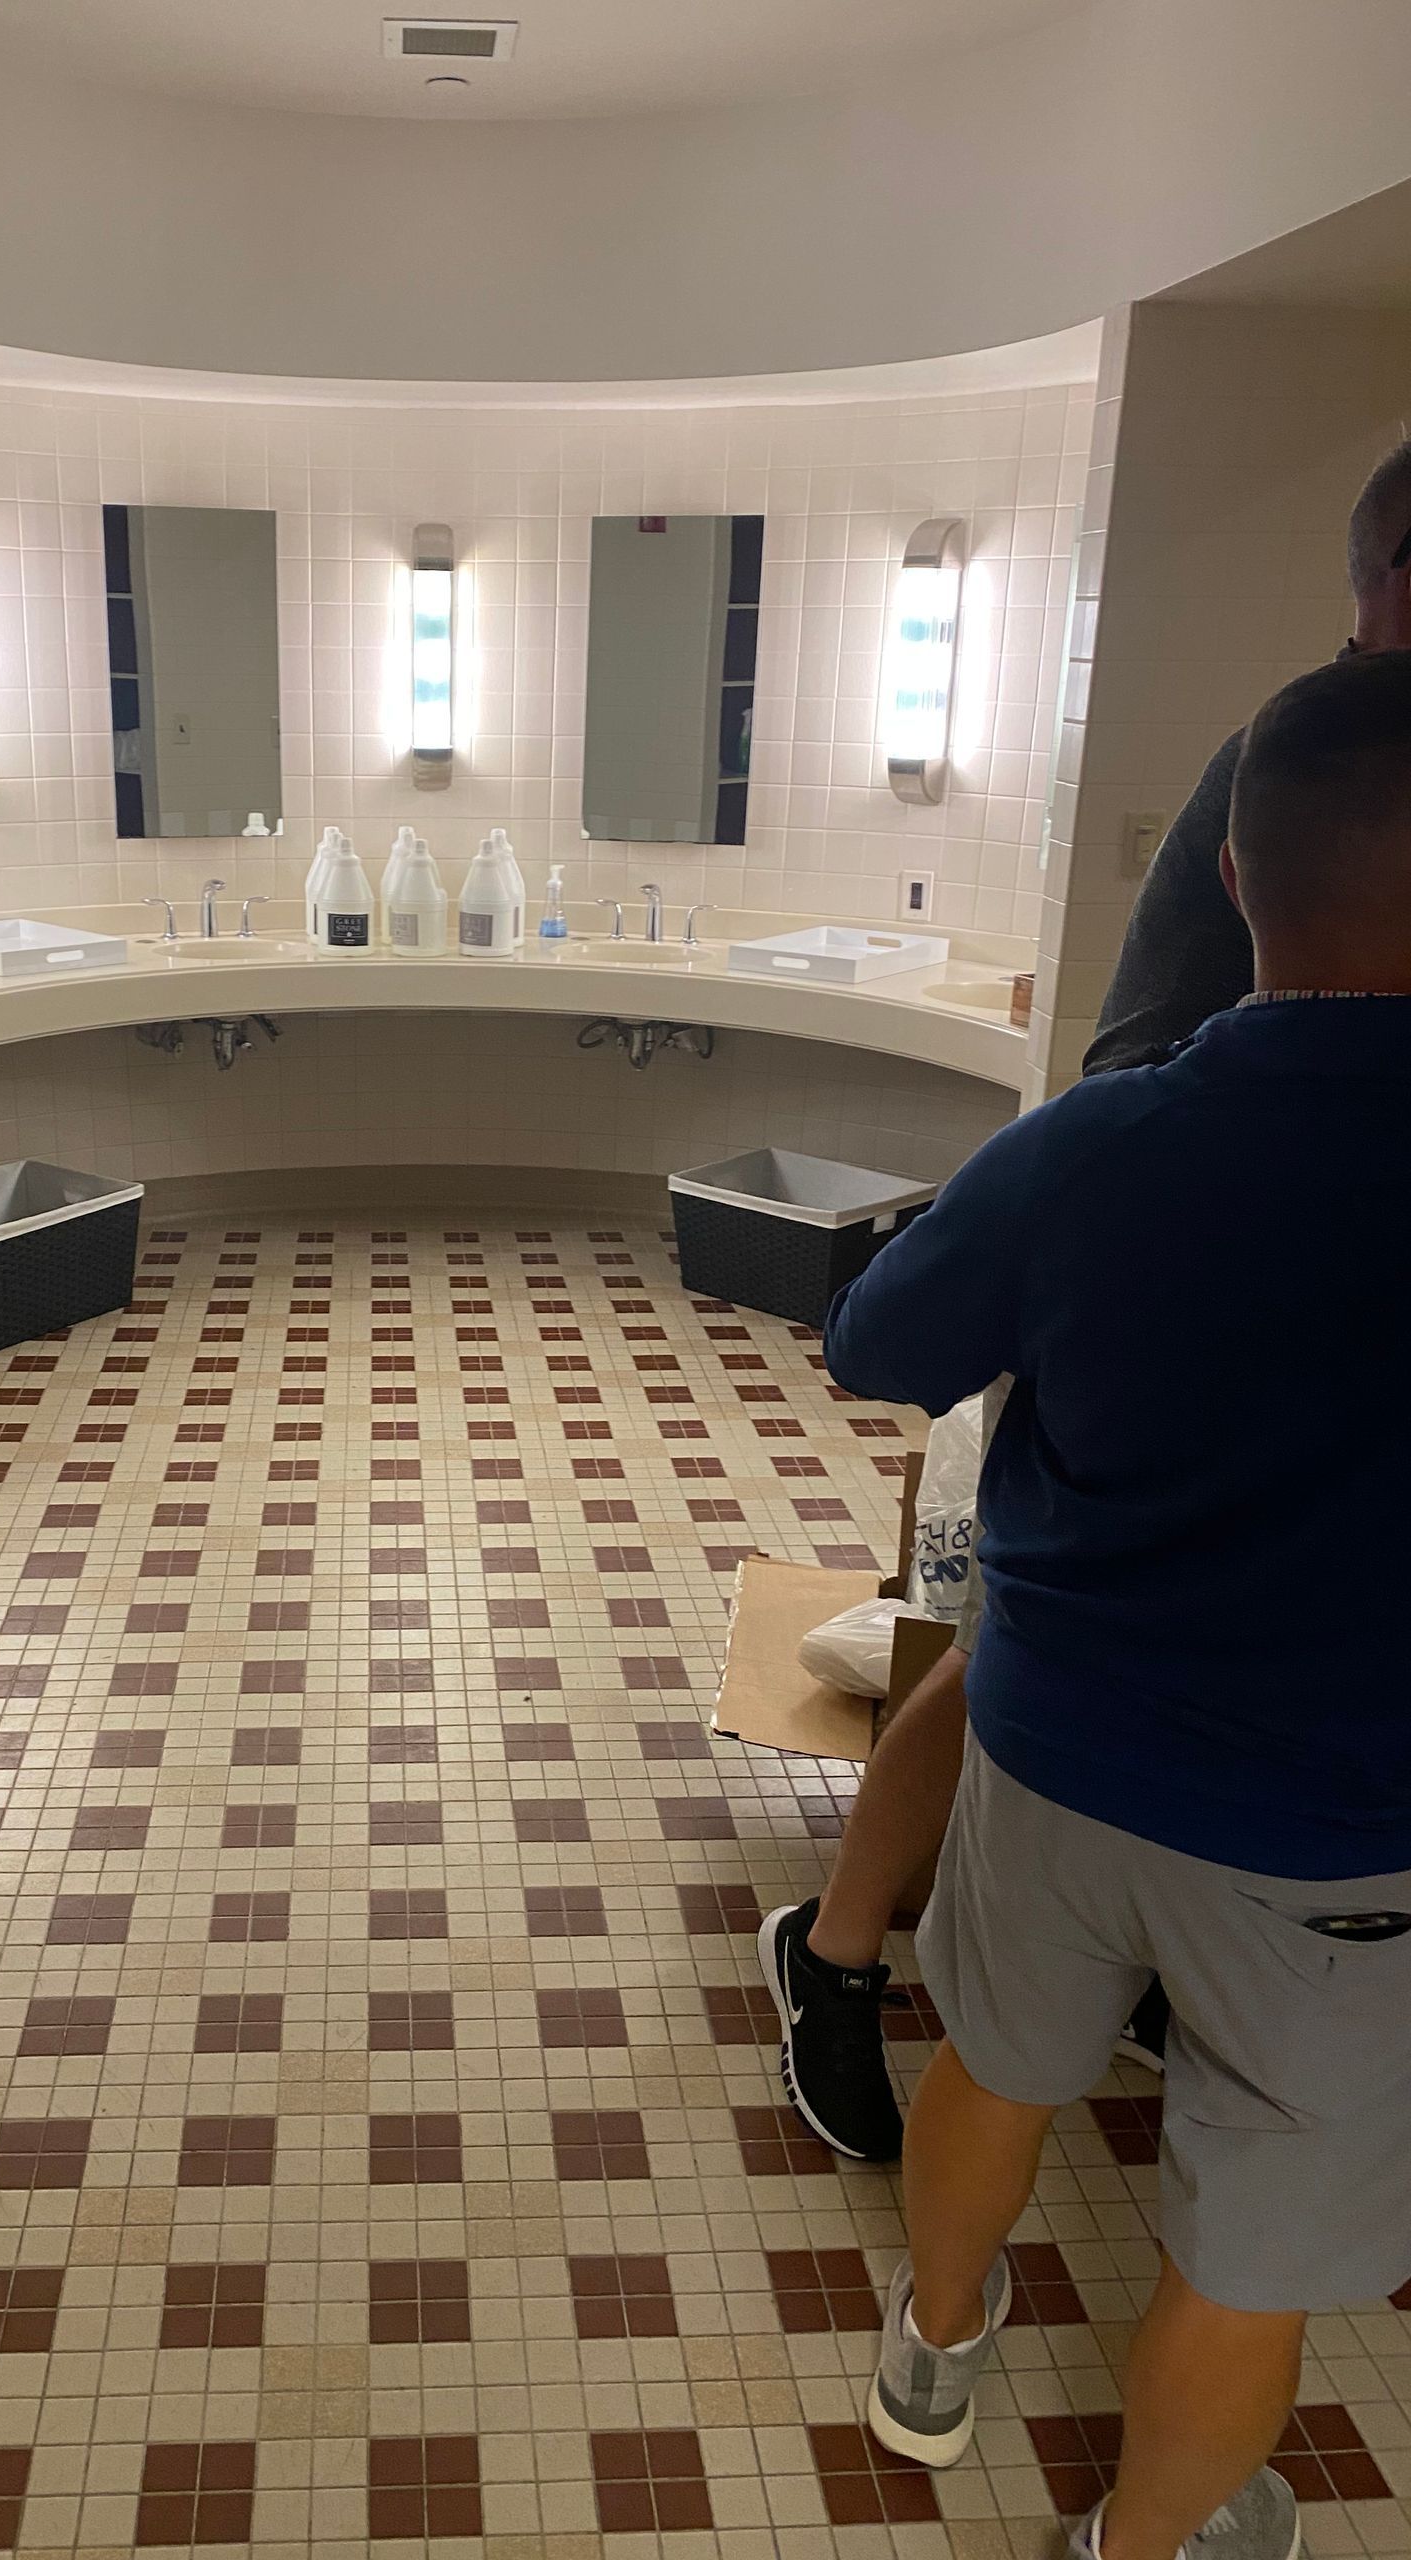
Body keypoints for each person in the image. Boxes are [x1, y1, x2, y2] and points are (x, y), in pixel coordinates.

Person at [818, 651, 1411, 2560]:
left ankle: (932, 2347)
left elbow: (882, 1340)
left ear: (1233, 884)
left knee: (995, 2064)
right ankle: (1143, 2548)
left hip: (1060, 1752)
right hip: (1350, 1831)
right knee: (1254, 2255)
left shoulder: (1105, 1143)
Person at [759, 431, 1411, 2161]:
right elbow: (1149, 1064)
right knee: (1032, 1644)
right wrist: (1120, 1230)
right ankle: (843, 1953)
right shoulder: (1283, 765)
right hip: (1186, 1278)